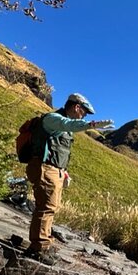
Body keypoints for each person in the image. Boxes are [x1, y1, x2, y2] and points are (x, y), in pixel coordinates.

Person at [23, 93, 113, 265]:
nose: (84, 116)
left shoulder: (63, 127)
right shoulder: (53, 119)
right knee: (46, 207)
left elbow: (58, 150)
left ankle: (44, 245)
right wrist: (91, 125)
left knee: (51, 207)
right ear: (77, 107)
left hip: (54, 170)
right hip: (44, 168)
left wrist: (64, 172)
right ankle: (38, 248)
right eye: (84, 112)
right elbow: (69, 124)